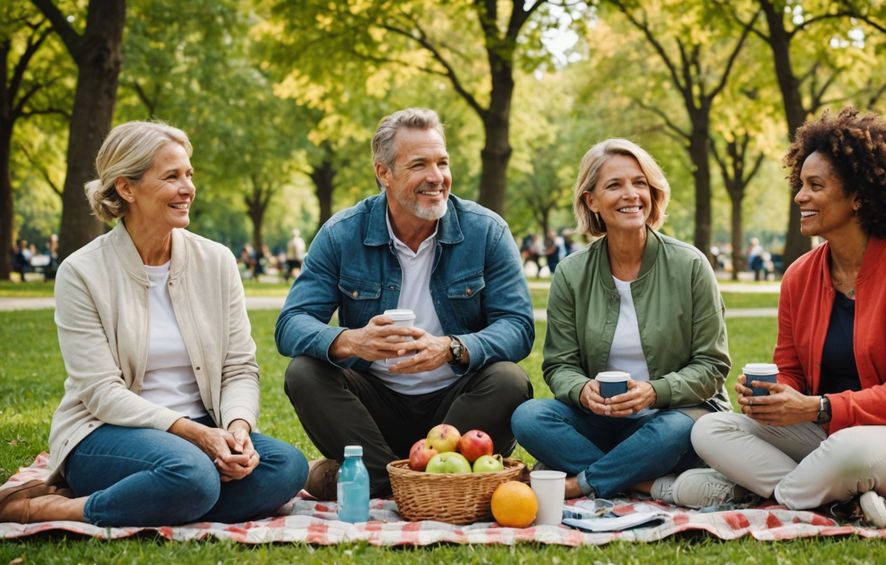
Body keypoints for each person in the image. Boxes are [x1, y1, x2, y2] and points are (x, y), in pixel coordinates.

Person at [0, 121, 307, 526]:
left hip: (202, 429)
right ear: (127, 188)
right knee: (194, 475)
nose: (188, 188)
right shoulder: (82, 271)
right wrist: (195, 436)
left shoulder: (216, 262)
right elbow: (101, 392)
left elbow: (239, 368)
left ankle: (161, 497)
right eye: (172, 177)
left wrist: (236, 430)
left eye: (189, 175)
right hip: (106, 430)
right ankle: (61, 507)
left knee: (288, 467)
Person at [674, 108, 886, 528]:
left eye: (815, 186)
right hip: (825, 434)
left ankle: (763, 494)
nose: (799, 197)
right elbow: (790, 368)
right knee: (710, 430)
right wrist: (774, 398)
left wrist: (819, 407)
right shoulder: (799, 276)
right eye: (800, 184)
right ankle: (841, 502)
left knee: (849, 452)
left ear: (857, 197)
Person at [276, 108, 534, 499]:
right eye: (419, 165)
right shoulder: (342, 233)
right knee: (304, 372)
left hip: (458, 406)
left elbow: (517, 326)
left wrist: (451, 348)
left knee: (509, 380)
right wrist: (350, 342)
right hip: (375, 410)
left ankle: (363, 479)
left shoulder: (486, 231)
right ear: (384, 173)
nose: (437, 177)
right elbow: (291, 323)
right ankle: (416, 482)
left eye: (442, 162)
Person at [510, 138, 731, 501]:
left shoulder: (690, 265)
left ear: (652, 192)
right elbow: (559, 365)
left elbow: (711, 366)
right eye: (615, 185)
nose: (631, 194)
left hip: (672, 418)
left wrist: (654, 392)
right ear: (591, 200)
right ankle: (640, 481)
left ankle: (579, 483)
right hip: (603, 423)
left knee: (675, 430)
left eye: (639, 183)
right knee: (529, 417)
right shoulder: (571, 273)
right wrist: (582, 390)